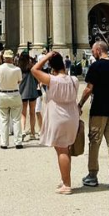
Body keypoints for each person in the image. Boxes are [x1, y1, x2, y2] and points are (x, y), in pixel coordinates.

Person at [32, 50, 80, 194]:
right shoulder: (74, 80)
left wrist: (46, 56)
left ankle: (66, 184)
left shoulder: (52, 80)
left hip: (58, 116)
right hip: (72, 116)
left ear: (52, 67)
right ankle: (65, 179)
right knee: (65, 149)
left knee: (61, 150)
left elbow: (34, 69)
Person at [79, 41, 109, 190]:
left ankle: (92, 175)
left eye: (93, 51)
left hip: (98, 110)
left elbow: (88, 89)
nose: (92, 53)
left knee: (94, 143)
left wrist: (79, 104)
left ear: (98, 50)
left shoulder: (95, 66)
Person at [0, 50, 23, 149]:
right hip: (14, 93)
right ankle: (18, 142)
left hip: (2, 94)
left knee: (3, 119)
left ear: (4, 58)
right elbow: (19, 81)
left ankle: (4, 143)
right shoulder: (17, 69)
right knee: (16, 119)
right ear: (12, 58)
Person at [18, 53, 39, 141]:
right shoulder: (32, 68)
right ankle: (33, 132)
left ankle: (23, 130)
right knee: (32, 112)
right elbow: (37, 78)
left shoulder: (19, 68)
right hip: (32, 91)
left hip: (22, 92)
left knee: (23, 113)